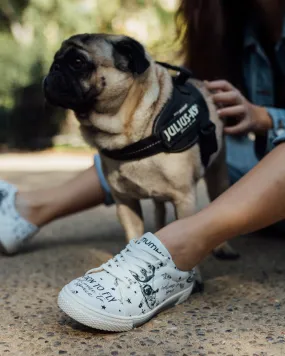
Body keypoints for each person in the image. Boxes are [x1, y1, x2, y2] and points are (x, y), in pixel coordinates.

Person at [0, 0, 285, 331]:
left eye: (79, 64)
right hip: (259, 170)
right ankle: (26, 210)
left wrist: (268, 117)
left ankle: (182, 249)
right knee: (151, 146)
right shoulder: (227, 18)